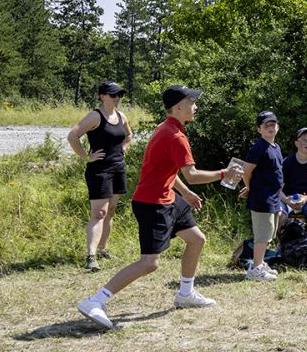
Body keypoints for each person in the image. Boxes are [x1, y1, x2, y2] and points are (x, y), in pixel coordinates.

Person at [77, 86, 239, 329]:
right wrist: (224, 173)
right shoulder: (175, 136)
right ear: (179, 107)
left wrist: (185, 193)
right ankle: (95, 301)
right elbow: (192, 175)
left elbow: (167, 171)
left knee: (196, 240)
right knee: (149, 263)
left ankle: (185, 293)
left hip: (169, 198)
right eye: (191, 102)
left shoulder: (166, 129)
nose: (195, 107)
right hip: (152, 203)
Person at [67, 81, 133, 271]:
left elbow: (129, 135)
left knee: (110, 210)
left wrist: (123, 149)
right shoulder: (95, 116)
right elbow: (73, 136)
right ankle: (91, 256)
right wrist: (86, 157)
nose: (117, 98)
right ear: (102, 96)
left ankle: (103, 248)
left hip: (118, 169)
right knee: (99, 213)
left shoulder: (121, 116)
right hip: (99, 171)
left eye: (119, 95)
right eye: (113, 95)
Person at [238, 110, 283, 282]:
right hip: (262, 198)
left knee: (269, 233)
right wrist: (250, 187)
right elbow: (246, 171)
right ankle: (255, 269)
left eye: (273, 124)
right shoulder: (258, 148)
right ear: (259, 129)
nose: (271, 128)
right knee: (262, 234)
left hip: (274, 197)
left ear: (277, 127)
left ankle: (260, 263)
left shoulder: (275, 147)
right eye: (266, 125)